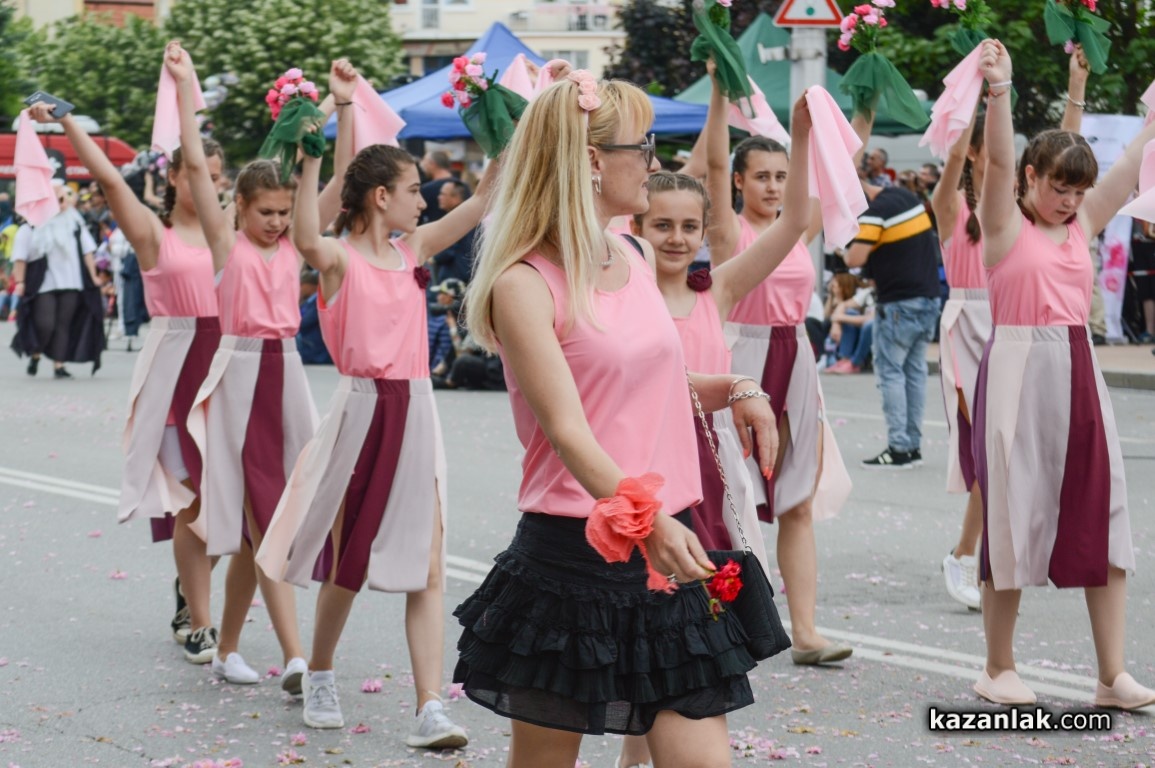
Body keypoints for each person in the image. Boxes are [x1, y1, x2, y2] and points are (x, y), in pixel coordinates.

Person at [452, 70, 780, 768]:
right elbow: (568, 429)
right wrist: (650, 521)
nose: (655, 161)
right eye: (645, 146)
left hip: (668, 547)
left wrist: (737, 386)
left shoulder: (632, 254)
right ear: (594, 160)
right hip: (574, 559)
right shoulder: (523, 283)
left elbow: (652, 383)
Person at [256, 126, 497, 746]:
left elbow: (482, 201)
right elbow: (305, 238)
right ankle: (320, 672)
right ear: (381, 196)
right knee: (349, 561)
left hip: (416, 409)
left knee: (429, 565)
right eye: (414, 190)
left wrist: (504, 131)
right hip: (362, 412)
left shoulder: (413, 248)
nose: (424, 200)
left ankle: (429, 706)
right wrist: (311, 162)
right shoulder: (340, 259)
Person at [970, 39, 1155, 709]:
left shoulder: (1081, 224)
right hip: (1015, 371)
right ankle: (997, 667)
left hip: (1078, 370)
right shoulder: (1000, 226)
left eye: (1078, 190)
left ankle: (1112, 675)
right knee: (1011, 521)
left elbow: (1131, 162)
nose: (1070, 201)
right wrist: (999, 90)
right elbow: (997, 160)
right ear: (1029, 177)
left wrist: (1152, 115)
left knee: (1103, 514)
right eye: (1058, 187)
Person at [26, 97, 233, 662]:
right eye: (199, 173)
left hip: (229, 367)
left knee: (232, 504)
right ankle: (199, 620)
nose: (210, 184)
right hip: (178, 372)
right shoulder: (152, 232)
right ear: (174, 176)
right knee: (195, 502)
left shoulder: (232, 228)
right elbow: (109, 179)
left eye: (218, 177)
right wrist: (67, 120)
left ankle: (190, 586)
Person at [172, 42, 349, 691]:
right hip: (239, 376)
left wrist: (342, 106)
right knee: (265, 517)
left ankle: (227, 649)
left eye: (282, 212)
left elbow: (336, 182)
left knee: (265, 526)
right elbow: (196, 162)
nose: (276, 222)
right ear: (240, 208)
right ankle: (297, 656)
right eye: (265, 212)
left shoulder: (298, 243)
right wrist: (186, 83)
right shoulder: (226, 242)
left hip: (286, 375)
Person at [934, 43, 1091, 611]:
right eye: (976, 151)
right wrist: (972, 110)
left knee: (1010, 458)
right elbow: (981, 163)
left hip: (1015, 319)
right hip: (970, 324)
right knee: (989, 454)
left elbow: (1064, 156)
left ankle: (971, 549)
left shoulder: (1027, 218)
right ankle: (970, 553)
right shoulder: (955, 209)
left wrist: (1076, 89)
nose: (985, 158)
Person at [704, 67, 852, 669]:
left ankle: (806, 631)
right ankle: (723, 623)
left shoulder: (799, 226)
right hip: (741, 357)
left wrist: (825, 123)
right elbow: (714, 163)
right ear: (739, 181)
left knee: (796, 500)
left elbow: (840, 164)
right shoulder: (726, 232)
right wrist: (719, 90)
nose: (772, 186)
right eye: (761, 176)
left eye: (781, 177)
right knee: (730, 497)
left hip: (797, 359)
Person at [845, 109, 941, 470]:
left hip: (898, 305)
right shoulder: (903, 197)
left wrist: (845, 240)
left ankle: (899, 447)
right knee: (914, 373)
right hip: (928, 300)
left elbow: (854, 259)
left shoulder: (873, 212)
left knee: (890, 374)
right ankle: (912, 446)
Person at [10, 183, 105, 378]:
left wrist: (94, 275)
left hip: (72, 282)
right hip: (43, 283)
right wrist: (20, 282)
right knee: (45, 324)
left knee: (64, 324)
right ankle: (36, 353)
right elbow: (20, 258)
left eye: (64, 199)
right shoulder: (31, 226)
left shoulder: (75, 224)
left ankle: (59, 365)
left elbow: (87, 252)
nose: (62, 204)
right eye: (57, 199)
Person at [430, 181, 476, 283]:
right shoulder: (469, 217)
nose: (439, 197)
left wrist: (433, 258)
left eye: (443, 194)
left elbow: (446, 251)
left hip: (456, 281)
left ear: (456, 199)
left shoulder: (458, 220)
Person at [296, 269, 332, 365]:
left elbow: (303, 322)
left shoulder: (317, 302)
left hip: (314, 349)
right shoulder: (307, 301)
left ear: (311, 285)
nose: (299, 288)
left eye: (302, 285)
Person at [419, 150, 461, 224]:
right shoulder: (462, 185)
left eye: (424, 161)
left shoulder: (427, 189)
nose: (422, 165)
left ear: (432, 164)